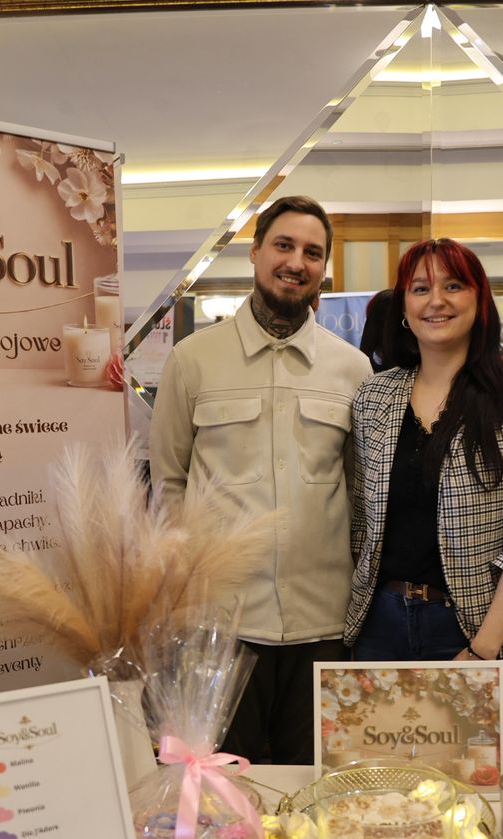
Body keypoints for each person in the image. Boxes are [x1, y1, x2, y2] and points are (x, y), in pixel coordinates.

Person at [150, 196, 372, 764]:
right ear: (254, 253)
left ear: (324, 268)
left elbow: (361, 493)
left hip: (323, 627)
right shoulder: (192, 360)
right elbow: (169, 486)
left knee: (319, 787)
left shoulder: (352, 368)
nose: (296, 262)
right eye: (284, 245)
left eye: (313, 252)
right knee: (225, 792)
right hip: (221, 629)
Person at [344, 238, 503, 717]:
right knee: (377, 760)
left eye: (453, 286)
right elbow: (360, 521)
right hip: (379, 625)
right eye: (420, 288)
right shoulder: (374, 397)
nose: (436, 300)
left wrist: (483, 650)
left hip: (474, 629)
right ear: (404, 306)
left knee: (466, 764)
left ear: (479, 300)